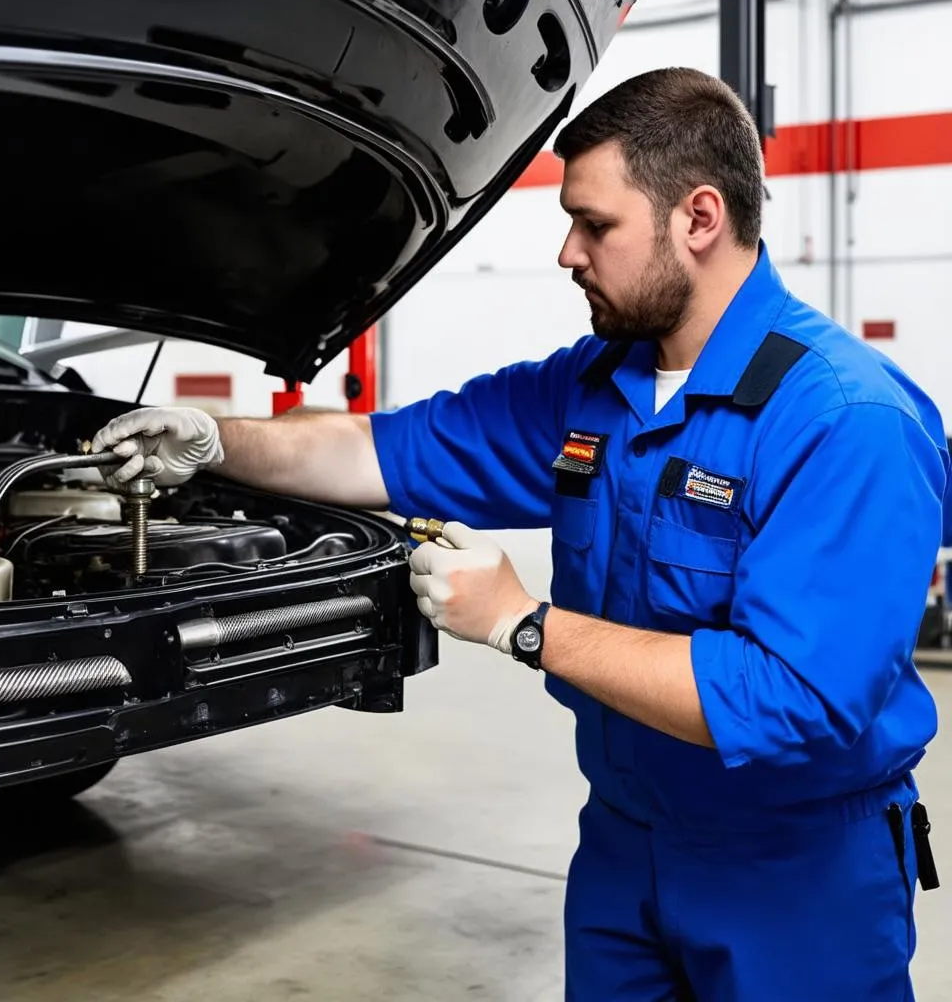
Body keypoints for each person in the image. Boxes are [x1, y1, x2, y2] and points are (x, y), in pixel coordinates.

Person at [91, 67, 947, 1001]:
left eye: (595, 224)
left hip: (797, 872)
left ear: (699, 218)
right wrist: (216, 441)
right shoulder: (591, 387)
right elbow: (381, 450)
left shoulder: (845, 420)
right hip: (624, 845)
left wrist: (521, 624)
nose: (567, 252)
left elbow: (792, 697)